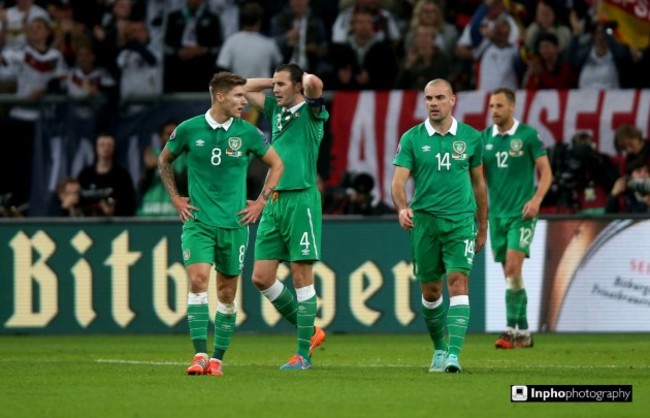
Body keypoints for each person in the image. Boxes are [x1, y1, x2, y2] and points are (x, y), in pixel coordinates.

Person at [159, 71, 284, 376]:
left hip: (234, 225)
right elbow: (164, 161)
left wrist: (260, 201)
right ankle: (199, 355)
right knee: (199, 280)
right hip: (199, 222)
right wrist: (176, 199)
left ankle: (217, 359)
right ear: (220, 96)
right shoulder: (189, 129)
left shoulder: (248, 133)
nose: (244, 101)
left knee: (227, 294)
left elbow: (277, 164)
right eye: (239, 96)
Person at [391, 78, 488, 373]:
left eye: (439, 98)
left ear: (453, 100)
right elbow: (398, 181)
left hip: (460, 220)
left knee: (458, 282)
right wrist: (402, 207)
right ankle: (439, 349)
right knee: (431, 292)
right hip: (425, 223)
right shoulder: (412, 138)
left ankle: (454, 356)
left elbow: (479, 184)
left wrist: (482, 225)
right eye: (428, 98)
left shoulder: (471, 138)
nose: (433, 103)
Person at [244, 63, 328, 370]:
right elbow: (244, 87)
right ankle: (312, 331)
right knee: (261, 278)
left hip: (301, 200)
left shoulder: (312, 113)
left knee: (301, 276)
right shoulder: (275, 110)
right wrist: (277, 80)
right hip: (273, 199)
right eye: (274, 84)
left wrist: (302, 80)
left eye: (281, 85)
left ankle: (302, 354)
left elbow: (316, 83)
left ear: (297, 87)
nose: (274, 89)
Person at [481, 88, 552, 349]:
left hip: (522, 215)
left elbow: (546, 173)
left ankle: (509, 330)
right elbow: (477, 178)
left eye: (499, 106)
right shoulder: (483, 139)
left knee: (512, 268)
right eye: (491, 106)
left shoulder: (528, 136)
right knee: (512, 276)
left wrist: (535, 201)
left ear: (512, 107)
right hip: (496, 217)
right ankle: (525, 333)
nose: (494, 111)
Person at [77, 133, 137, 217]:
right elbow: (79, 202)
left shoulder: (122, 176)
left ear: (114, 148)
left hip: (116, 224)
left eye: (109, 145)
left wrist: (113, 210)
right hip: (88, 222)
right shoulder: (85, 175)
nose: (106, 148)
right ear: (96, 148)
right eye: (102, 145)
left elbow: (129, 204)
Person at [137, 120, 186, 217]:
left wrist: (163, 165)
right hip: (149, 213)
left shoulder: (185, 157)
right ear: (161, 138)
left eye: (176, 134)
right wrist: (149, 169)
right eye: (169, 134)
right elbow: (141, 187)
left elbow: (186, 186)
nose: (173, 138)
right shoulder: (153, 155)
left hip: (175, 213)